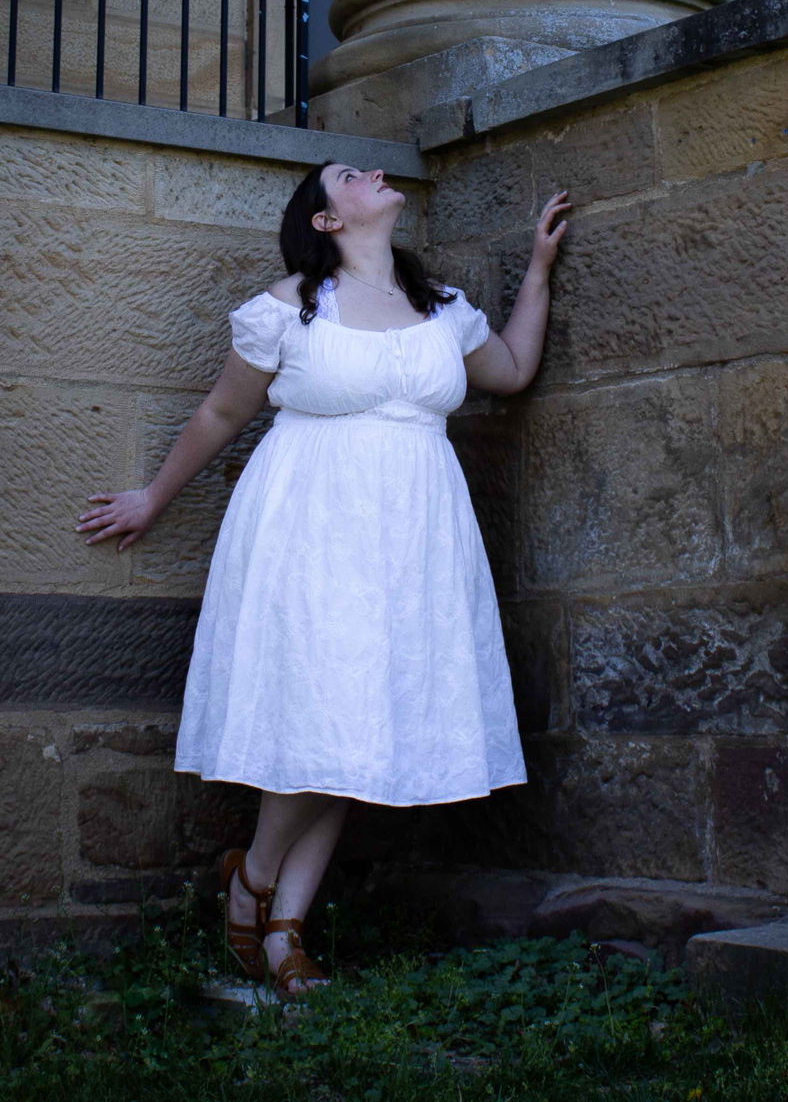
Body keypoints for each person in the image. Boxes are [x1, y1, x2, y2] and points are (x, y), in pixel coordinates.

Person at [76, 159, 570, 999]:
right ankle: (262, 884)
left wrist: (536, 271)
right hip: (312, 530)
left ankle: (278, 926)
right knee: (328, 709)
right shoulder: (287, 309)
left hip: (416, 543)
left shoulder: (443, 309)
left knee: (362, 723)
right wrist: (151, 497)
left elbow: (513, 370)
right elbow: (222, 413)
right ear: (326, 220)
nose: (373, 172)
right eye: (350, 174)